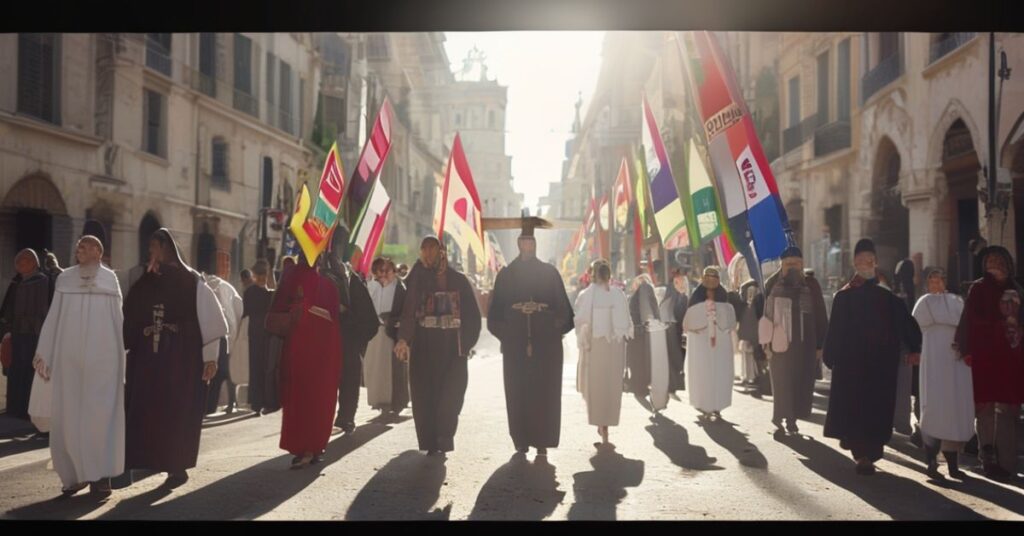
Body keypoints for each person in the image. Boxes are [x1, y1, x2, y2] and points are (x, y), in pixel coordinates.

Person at [122, 229, 228, 487]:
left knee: (178, 411)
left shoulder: (191, 280)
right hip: (148, 361)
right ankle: (148, 458)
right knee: (148, 410)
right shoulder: (145, 281)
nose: (150, 252)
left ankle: (176, 465)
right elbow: (130, 316)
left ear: (165, 247)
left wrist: (210, 358)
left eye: (154, 247)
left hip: (181, 359)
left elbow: (210, 321)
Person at [31, 236, 125, 497]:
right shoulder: (65, 279)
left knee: (100, 416)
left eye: (84, 247)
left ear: (98, 251)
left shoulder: (109, 279)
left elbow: (118, 321)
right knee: (68, 417)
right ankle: (73, 475)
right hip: (68, 359)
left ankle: (100, 477)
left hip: (103, 361)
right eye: (77, 247)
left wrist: (121, 359)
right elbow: (54, 316)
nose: (78, 250)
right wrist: (46, 353)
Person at [823, 238, 922, 476]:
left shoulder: (887, 295)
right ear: (854, 263)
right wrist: (830, 354)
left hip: (881, 364)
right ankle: (862, 456)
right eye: (860, 261)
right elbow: (834, 328)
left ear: (875, 262)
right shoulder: (844, 296)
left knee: (878, 408)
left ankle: (872, 450)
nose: (864, 264)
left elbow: (904, 321)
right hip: (852, 364)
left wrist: (914, 347)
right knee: (855, 408)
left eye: (869, 260)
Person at [487, 218, 574, 457]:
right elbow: (494, 315)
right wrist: (513, 324)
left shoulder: (549, 273)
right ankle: (521, 439)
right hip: (516, 347)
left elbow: (565, 314)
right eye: (523, 241)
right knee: (518, 392)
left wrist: (543, 316)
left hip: (545, 348)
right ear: (518, 243)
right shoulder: (506, 275)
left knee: (544, 393)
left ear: (535, 244)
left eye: (530, 241)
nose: (527, 245)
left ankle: (543, 440)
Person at [395, 237, 482, 456]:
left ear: (441, 252)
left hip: (452, 347)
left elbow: (472, 316)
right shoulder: (415, 278)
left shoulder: (458, 280)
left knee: (450, 396)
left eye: (432, 249)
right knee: (425, 397)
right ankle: (430, 441)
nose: (428, 254)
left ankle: (445, 435)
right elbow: (407, 309)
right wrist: (403, 339)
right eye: (424, 249)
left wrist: (466, 343)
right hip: (424, 346)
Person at [955, 245, 1024, 482]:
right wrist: (965, 348)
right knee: (984, 409)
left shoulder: (1017, 290)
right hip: (985, 355)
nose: (995, 264)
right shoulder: (978, 289)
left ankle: (1007, 462)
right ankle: (988, 458)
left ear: (1008, 264)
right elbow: (968, 319)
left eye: (1000, 260)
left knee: (1008, 409)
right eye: (990, 260)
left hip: (1011, 358)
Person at [269, 252, 343, 468]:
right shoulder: (326, 284)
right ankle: (312, 447)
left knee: (303, 398)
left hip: (306, 351)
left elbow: (277, 308)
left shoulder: (312, 282)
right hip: (313, 352)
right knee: (314, 398)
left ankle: (308, 448)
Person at [759, 246, 828, 434]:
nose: (792, 268)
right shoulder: (772, 283)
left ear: (802, 264)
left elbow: (821, 314)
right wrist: (765, 344)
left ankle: (793, 415)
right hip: (779, 343)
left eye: (796, 264)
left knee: (802, 381)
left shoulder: (811, 284)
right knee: (782, 381)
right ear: (781, 265)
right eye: (788, 264)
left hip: (806, 342)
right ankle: (787, 418)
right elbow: (764, 314)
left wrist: (821, 345)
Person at [913, 267, 971, 480]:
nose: (936, 284)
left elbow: (965, 326)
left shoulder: (957, 301)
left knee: (954, 407)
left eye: (940, 279)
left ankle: (953, 463)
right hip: (933, 359)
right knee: (934, 405)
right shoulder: (924, 302)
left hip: (954, 359)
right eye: (932, 280)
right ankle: (930, 461)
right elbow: (916, 326)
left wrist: (962, 344)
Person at [323, 227, 380, 434]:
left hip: (347, 337)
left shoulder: (349, 277)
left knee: (348, 380)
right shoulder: (324, 272)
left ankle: (346, 417)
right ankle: (337, 417)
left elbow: (368, 318)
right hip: (328, 338)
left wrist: (355, 333)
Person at [574, 259, 632, 447]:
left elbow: (580, 320)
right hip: (613, 347)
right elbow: (626, 322)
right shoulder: (618, 295)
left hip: (597, 346)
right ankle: (605, 425)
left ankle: (602, 424)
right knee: (610, 386)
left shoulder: (587, 295)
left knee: (597, 387)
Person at [0, 249, 51, 421]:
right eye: (20, 261)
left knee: (29, 370)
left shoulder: (42, 281)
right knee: (15, 370)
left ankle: (26, 410)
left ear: (35, 263)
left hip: (33, 334)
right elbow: (7, 308)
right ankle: (14, 407)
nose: (22, 263)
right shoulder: (16, 282)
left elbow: (43, 309)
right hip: (16, 333)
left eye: (27, 260)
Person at [682, 267, 737, 421]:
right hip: (701, 343)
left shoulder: (723, 295)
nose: (711, 282)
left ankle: (717, 406)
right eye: (709, 278)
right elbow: (690, 319)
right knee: (703, 372)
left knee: (720, 372)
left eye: (714, 278)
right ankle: (704, 404)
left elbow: (729, 318)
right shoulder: (697, 295)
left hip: (720, 343)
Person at [364, 257, 410, 414]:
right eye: (381, 271)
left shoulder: (400, 288)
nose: (384, 274)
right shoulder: (377, 286)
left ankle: (393, 402)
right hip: (378, 332)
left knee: (392, 370)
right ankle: (379, 400)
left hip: (393, 333)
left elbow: (405, 311)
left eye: (387, 271)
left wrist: (392, 320)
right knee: (376, 368)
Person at [203, 271, 243, 415]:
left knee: (220, 373)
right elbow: (236, 314)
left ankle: (214, 405)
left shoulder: (214, 288)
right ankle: (229, 402)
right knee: (225, 373)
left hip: (222, 338)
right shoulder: (226, 288)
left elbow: (232, 315)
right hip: (226, 337)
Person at [241, 260, 274, 415]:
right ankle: (260, 402)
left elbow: (244, 312)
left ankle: (255, 403)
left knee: (255, 368)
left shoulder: (249, 292)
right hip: (265, 333)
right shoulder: (269, 295)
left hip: (254, 332)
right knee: (263, 368)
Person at [626, 272, 660, 398]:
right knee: (644, 360)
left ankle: (638, 385)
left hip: (637, 332)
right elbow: (654, 312)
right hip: (645, 331)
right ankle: (642, 385)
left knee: (637, 360)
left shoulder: (640, 292)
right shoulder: (648, 292)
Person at [659, 269, 688, 394]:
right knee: (674, 358)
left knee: (676, 358)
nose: (680, 285)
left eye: (681, 282)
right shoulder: (674, 295)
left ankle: (674, 383)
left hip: (675, 331)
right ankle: (673, 384)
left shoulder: (678, 295)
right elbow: (677, 313)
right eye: (677, 282)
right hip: (672, 331)